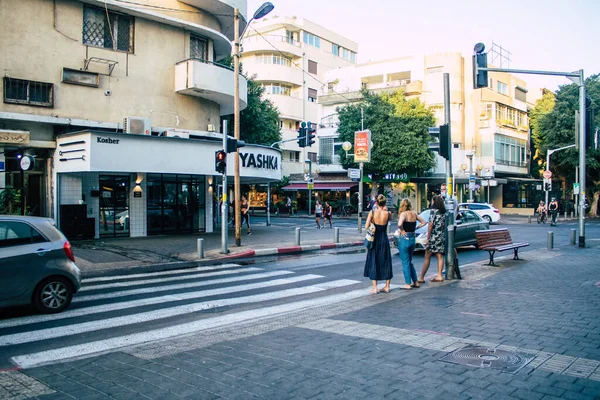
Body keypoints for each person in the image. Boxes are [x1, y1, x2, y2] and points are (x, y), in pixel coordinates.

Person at [363, 194, 393, 294]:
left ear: (377, 203)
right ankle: (387, 286)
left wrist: (372, 222)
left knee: (373, 260)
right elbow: (389, 221)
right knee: (386, 260)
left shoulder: (372, 212)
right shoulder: (388, 213)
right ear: (385, 203)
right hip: (384, 238)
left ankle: (375, 287)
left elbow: (366, 226)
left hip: (375, 238)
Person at [397, 199, 427, 290]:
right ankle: (415, 281)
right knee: (410, 261)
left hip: (404, 238)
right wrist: (416, 228)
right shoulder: (414, 214)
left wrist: (402, 230)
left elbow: (399, 224)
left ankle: (407, 283)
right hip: (412, 238)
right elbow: (424, 222)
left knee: (405, 262)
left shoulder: (403, 214)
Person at [418, 195, 446, 283]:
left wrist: (428, 237)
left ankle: (421, 277)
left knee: (427, 256)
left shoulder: (433, 212)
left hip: (434, 235)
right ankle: (439, 275)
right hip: (441, 235)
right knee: (439, 255)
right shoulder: (443, 212)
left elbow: (430, 224)